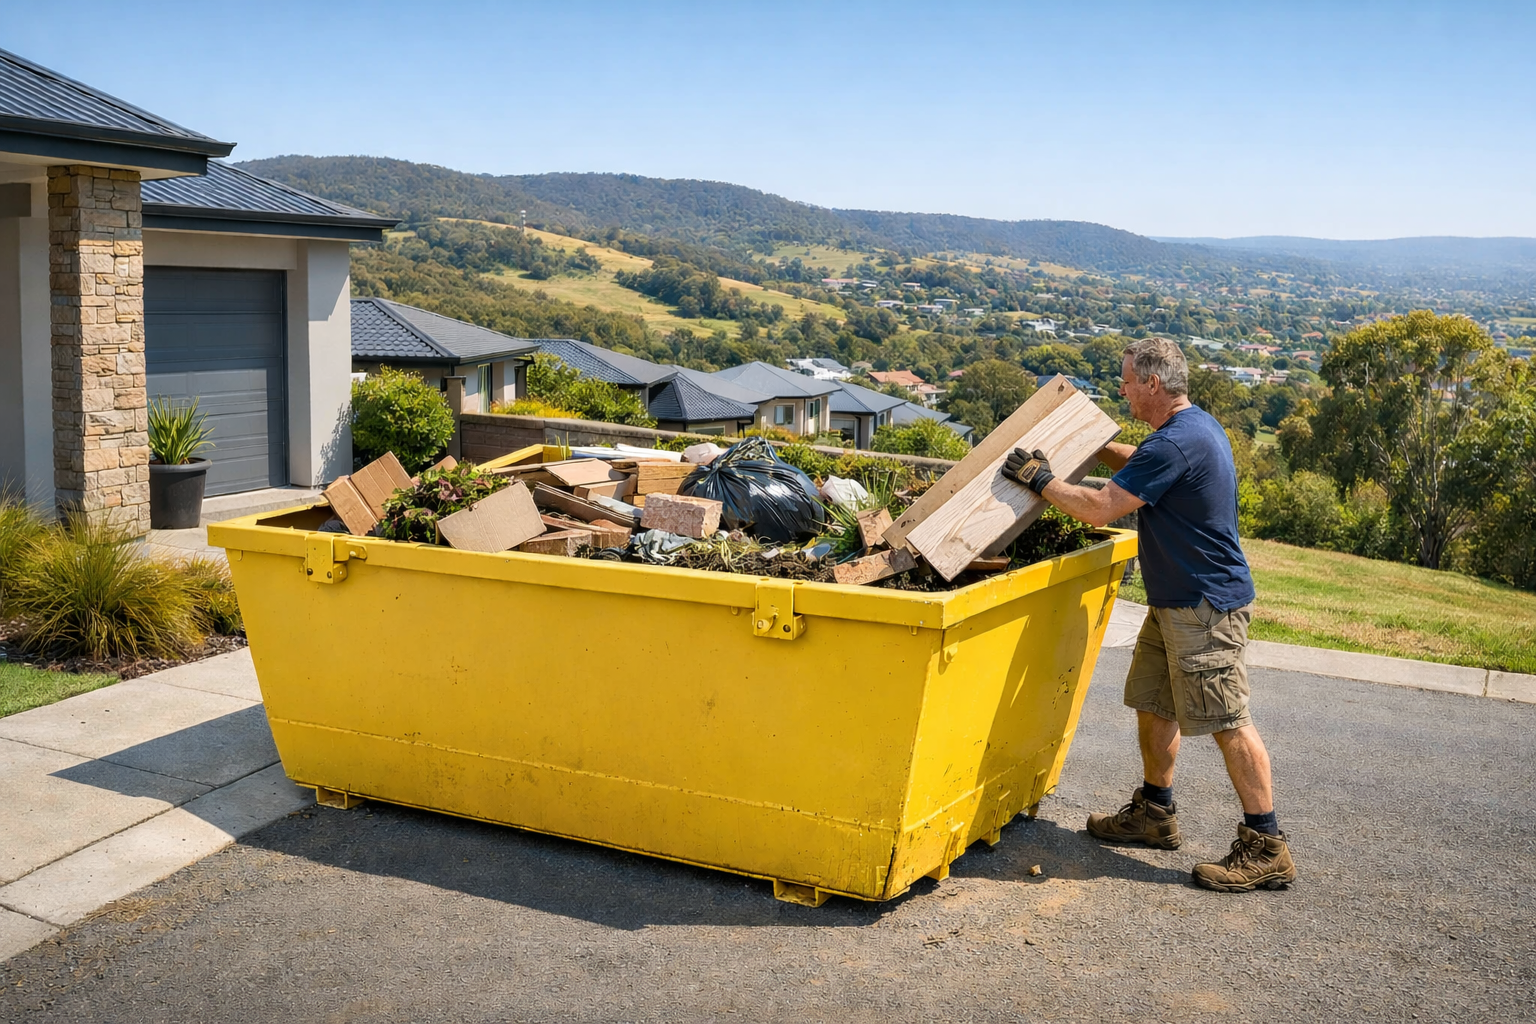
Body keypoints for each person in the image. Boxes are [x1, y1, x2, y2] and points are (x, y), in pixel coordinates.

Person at [1003, 338, 1296, 893]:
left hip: (1204, 607)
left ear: (1153, 384)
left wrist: (1041, 480)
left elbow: (1101, 507)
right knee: (1155, 703)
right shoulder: (1190, 429)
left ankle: (1268, 846)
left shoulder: (1177, 442)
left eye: (1127, 381)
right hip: (1176, 602)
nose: (1122, 390)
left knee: (1228, 721)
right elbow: (1143, 463)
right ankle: (1155, 814)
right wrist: (1096, 447)